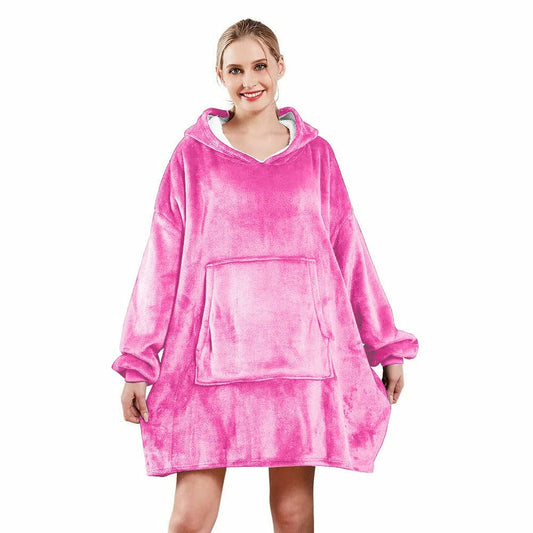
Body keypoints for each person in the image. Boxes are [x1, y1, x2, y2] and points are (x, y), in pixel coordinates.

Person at [111, 18, 419, 533]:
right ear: (219, 75)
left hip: (299, 362)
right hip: (208, 364)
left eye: (259, 66)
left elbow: (348, 249)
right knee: (190, 519)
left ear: (279, 67)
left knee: (294, 516)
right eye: (235, 69)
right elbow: (160, 261)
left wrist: (384, 344)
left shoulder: (316, 155)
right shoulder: (193, 157)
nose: (249, 79)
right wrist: (138, 364)